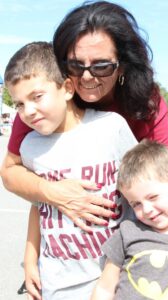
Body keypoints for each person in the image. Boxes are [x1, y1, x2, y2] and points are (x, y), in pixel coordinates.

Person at [1, 1, 168, 233]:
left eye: (101, 66)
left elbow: (163, 184)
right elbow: (10, 171)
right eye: (76, 65)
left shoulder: (147, 104)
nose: (88, 76)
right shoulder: (45, 104)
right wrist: (52, 192)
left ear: (122, 66)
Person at [4, 41, 137, 300]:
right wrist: (30, 259)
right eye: (18, 104)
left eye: (37, 97)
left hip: (114, 277)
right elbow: (38, 205)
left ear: (66, 88)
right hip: (57, 282)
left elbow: (143, 188)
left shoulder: (111, 128)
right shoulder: (30, 146)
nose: (27, 111)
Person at [91, 140, 168, 300]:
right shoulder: (128, 233)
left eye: (153, 197)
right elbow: (105, 288)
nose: (147, 209)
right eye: (136, 204)